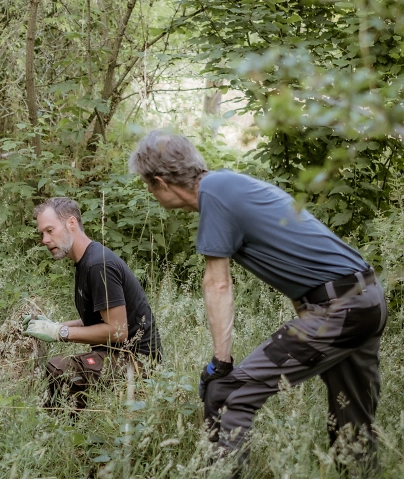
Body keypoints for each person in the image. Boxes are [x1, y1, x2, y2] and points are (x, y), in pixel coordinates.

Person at [128, 130, 386, 476]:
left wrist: (220, 364)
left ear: (159, 181)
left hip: (340, 310)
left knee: (227, 395)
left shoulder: (214, 194)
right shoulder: (230, 186)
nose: (150, 193)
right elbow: (299, 260)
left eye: (148, 186)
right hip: (365, 299)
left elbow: (218, 283)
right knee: (352, 426)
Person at [24, 197, 162, 410]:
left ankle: (65, 425)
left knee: (59, 368)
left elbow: (118, 332)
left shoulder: (98, 264)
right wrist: (54, 325)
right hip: (117, 355)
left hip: (138, 363)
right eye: (42, 233)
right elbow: (100, 319)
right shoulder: (86, 262)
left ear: (71, 223)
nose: (44, 239)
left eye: (50, 230)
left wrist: (60, 333)